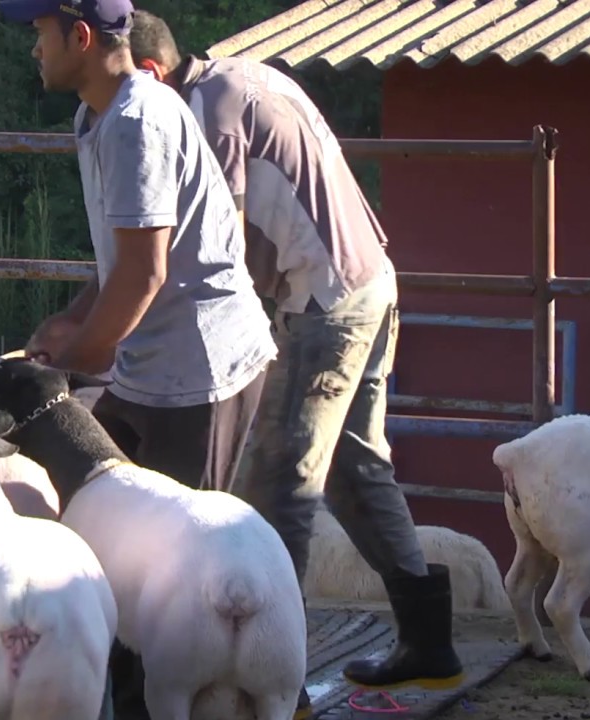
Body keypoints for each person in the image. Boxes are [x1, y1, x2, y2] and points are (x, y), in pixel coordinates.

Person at [126, 8, 465, 714]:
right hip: (367, 281)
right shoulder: (242, 77)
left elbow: (217, 249)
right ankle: (430, 644)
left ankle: (281, 684)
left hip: (322, 304)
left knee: (280, 488)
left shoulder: (205, 115)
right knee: (355, 470)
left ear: (151, 75)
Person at [0, 2, 278, 718]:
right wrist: (75, 319)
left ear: (80, 37)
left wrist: (69, 365)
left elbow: (146, 273)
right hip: (150, 363)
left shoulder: (137, 122)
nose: (34, 49)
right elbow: (124, 259)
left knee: (180, 568)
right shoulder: (96, 118)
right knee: (109, 537)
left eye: (41, 33)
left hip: (201, 367)